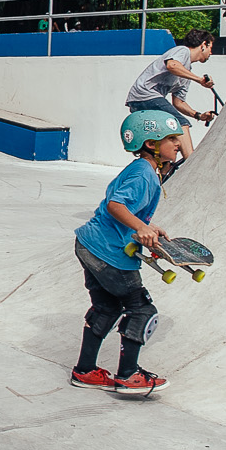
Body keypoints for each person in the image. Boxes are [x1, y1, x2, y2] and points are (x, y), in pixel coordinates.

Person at [68, 109, 183, 397]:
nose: (178, 144)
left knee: (107, 308)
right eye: (171, 139)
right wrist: (139, 228)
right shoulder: (145, 174)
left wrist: (147, 226)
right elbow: (116, 206)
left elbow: (125, 209)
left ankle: (85, 371)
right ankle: (129, 375)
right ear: (151, 144)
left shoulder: (141, 171)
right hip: (109, 253)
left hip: (89, 244)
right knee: (142, 310)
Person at [123, 29, 218, 162]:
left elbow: (178, 102)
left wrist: (199, 115)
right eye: (210, 48)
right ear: (203, 45)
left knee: (168, 139)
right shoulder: (182, 51)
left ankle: (164, 169)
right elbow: (172, 65)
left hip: (145, 100)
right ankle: (191, 163)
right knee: (180, 123)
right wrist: (199, 80)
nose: (211, 53)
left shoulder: (186, 73)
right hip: (144, 95)